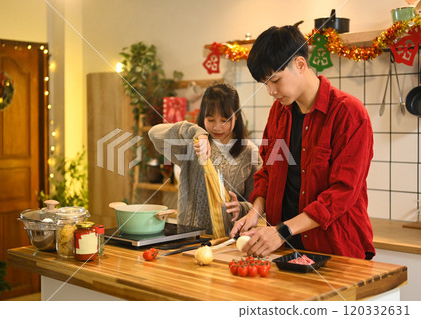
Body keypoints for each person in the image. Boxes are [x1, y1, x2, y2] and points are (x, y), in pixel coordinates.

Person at [230, 23, 375, 260]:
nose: (271, 91)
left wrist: (282, 231)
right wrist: (254, 213)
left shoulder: (348, 113)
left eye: (275, 80)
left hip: (336, 252)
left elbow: (342, 193)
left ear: (300, 64)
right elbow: (268, 172)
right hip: (284, 250)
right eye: (265, 84)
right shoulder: (279, 113)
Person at [148, 83, 262, 234]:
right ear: (203, 117)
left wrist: (241, 208)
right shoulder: (192, 144)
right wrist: (196, 132)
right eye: (210, 119)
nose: (217, 127)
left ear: (237, 115)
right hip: (188, 237)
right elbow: (154, 134)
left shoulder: (249, 152)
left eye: (224, 120)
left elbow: (258, 204)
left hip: (229, 241)